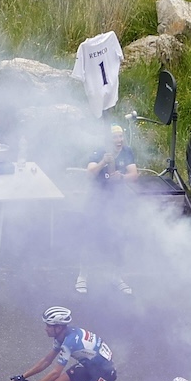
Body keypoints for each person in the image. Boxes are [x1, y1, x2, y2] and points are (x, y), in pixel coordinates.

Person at [76, 126, 138, 296]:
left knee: (118, 238)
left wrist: (123, 177)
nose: (119, 140)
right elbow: (89, 173)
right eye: (115, 137)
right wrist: (103, 162)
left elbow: (134, 173)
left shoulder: (127, 151)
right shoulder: (99, 151)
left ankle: (116, 276)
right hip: (96, 200)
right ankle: (82, 276)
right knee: (91, 237)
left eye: (121, 136)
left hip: (117, 201)